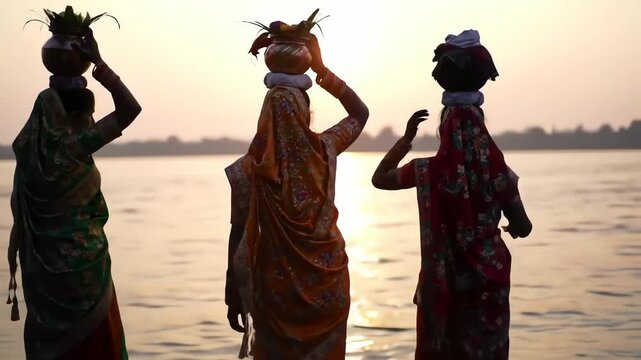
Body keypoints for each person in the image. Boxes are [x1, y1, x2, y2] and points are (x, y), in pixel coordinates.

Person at [371, 30, 532, 359]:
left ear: (443, 130)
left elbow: (379, 179)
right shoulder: (497, 170)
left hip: (443, 294)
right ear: (482, 127)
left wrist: (405, 140)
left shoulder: (426, 171)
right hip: (489, 291)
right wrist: (510, 223)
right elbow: (523, 225)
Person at [224, 33, 369, 359]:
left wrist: (233, 292)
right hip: (328, 290)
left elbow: (237, 233)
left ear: (265, 118)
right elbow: (359, 114)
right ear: (305, 112)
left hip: (277, 297)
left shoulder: (248, 171)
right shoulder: (325, 149)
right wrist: (322, 69)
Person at [8, 28, 141, 359]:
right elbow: (129, 109)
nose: (90, 121)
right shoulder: (75, 147)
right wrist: (99, 62)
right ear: (73, 118)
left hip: (44, 283)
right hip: (87, 275)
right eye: (87, 115)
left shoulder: (29, 157)